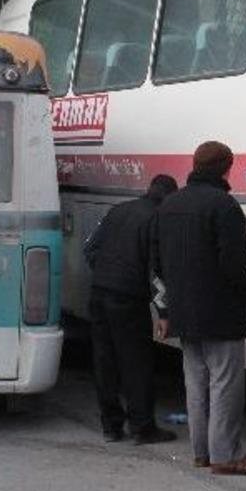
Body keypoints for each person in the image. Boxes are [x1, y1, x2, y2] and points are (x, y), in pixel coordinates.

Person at [152, 141, 246, 475]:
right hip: (220, 313)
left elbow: (157, 265)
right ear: (226, 168)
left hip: (184, 313)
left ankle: (201, 452)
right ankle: (225, 456)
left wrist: (165, 311)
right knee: (225, 385)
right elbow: (236, 264)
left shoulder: (169, 205)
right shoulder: (224, 206)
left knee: (196, 386)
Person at [84, 174, 179, 444]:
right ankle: (142, 427)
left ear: (148, 190)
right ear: (169, 196)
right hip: (128, 299)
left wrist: (105, 273)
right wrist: (163, 312)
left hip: (99, 293)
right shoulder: (157, 220)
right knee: (136, 364)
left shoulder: (117, 211)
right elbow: (156, 272)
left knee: (105, 362)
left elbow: (89, 247)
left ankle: (111, 426)